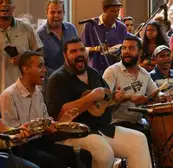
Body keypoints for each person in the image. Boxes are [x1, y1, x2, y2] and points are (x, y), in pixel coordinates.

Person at [44, 38, 152, 168]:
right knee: (104, 152)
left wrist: (116, 99)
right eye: (73, 51)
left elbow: (107, 104)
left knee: (139, 139)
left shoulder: (93, 74)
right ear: (65, 55)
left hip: (103, 129)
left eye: (82, 50)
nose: (79, 54)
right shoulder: (57, 79)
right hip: (74, 134)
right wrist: (90, 97)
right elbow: (58, 117)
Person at [0, 50, 92, 168]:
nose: (45, 70)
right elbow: (10, 135)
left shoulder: (38, 92)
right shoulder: (9, 95)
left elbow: (46, 122)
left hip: (40, 141)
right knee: (53, 163)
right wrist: (30, 131)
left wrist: (61, 122)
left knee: (84, 155)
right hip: (21, 147)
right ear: (25, 69)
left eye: (44, 65)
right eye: (39, 66)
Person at [103, 36, 161, 126]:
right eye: (124, 48)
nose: (126, 51)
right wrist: (127, 98)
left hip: (138, 122)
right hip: (116, 123)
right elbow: (103, 102)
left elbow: (155, 93)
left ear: (140, 52)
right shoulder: (112, 71)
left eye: (131, 48)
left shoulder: (144, 73)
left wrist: (163, 96)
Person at [81, 0, 127, 74]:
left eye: (118, 11)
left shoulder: (122, 27)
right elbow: (82, 49)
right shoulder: (90, 25)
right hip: (95, 70)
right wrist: (96, 49)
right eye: (112, 11)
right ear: (104, 10)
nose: (116, 14)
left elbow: (125, 48)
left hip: (115, 71)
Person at [37, 0, 78, 78]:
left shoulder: (71, 28)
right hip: (52, 82)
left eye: (59, 12)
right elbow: (40, 64)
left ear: (64, 13)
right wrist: (60, 76)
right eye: (52, 12)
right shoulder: (39, 34)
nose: (56, 15)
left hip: (73, 79)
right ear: (47, 13)